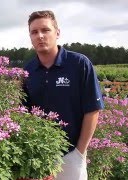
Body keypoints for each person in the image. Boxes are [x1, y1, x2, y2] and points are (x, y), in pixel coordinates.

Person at [22, 10, 104, 180]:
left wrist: (80, 152)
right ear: (30, 37)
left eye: (45, 30)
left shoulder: (79, 64)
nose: (40, 36)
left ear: (57, 33)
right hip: (38, 156)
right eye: (34, 32)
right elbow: (24, 113)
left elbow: (92, 109)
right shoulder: (27, 71)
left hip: (71, 153)